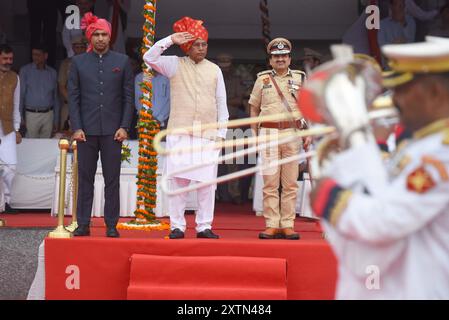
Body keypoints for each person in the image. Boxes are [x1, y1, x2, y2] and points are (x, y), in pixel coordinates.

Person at [309, 36, 449, 299]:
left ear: (435, 93)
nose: (394, 99)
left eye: (403, 89)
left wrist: (330, 196)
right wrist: (374, 147)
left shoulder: (440, 157)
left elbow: (384, 221)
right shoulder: (422, 147)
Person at [144, 16, 229, 239]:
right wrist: (170, 39)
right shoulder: (174, 64)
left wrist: (221, 134)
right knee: (178, 182)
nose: (201, 48)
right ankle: (177, 226)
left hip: (208, 136)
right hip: (180, 133)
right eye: (196, 45)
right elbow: (148, 57)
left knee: (207, 185)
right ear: (187, 47)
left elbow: (222, 103)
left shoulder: (215, 70)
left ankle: (204, 226)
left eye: (204, 44)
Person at [68, 12, 134, 238]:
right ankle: (83, 223)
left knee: (112, 180)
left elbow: (128, 98)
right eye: (95, 34)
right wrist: (76, 127)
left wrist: (125, 125)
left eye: (104, 34)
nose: (100, 38)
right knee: (85, 179)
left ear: (110, 36)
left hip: (113, 132)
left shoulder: (122, 61)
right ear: (89, 37)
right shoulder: (78, 62)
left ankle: (111, 225)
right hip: (85, 131)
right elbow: (73, 97)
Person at [248, 38, 307, 240]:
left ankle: (288, 224)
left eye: (284, 56)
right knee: (270, 183)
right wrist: (254, 134)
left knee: (290, 183)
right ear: (271, 60)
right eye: (276, 56)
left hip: (293, 133)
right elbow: (254, 107)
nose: (280, 59)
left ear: (290, 58)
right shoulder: (262, 80)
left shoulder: (301, 78)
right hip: (269, 133)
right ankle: (272, 224)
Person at [19, 45, 60, 138]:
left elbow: (56, 98)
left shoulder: (53, 73)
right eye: (33, 54)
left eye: (38, 55)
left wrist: (56, 120)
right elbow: (21, 95)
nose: (35, 57)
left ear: (45, 56)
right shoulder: (25, 71)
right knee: (31, 145)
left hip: (48, 115)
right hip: (31, 114)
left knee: (46, 146)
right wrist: (20, 117)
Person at [0, 44, 21, 214]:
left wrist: (17, 128)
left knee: (10, 167)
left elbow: (16, 105)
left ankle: (6, 201)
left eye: (10, 59)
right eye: (5, 58)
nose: (8, 62)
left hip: (7, 127)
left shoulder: (15, 77)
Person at [58, 36, 88, 131]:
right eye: (77, 47)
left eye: (82, 47)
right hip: (69, 105)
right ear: (73, 48)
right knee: (66, 136)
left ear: (86, 48)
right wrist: (74, 102)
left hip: (86, 106)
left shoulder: (91, 63)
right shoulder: (66, 64)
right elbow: (62, 86)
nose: (80, 50)